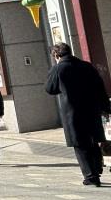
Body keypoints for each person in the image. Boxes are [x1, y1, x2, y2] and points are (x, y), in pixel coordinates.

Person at [45, 42, 110, 186]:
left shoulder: (58, 68)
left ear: (56, 55)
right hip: (92, 109)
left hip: (72, 112)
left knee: (80, 144)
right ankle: (97, 169)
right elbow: (100, 88)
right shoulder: (87, 66)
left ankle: (90, 176)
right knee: (93, 140)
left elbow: (50, 88)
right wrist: (106, 107)